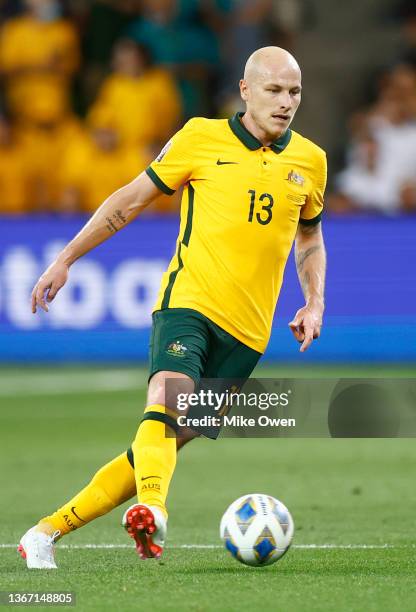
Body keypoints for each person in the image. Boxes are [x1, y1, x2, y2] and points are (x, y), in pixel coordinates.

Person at [19, 46, 327, 568]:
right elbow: (130, 199)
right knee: (167, 399)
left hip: (249, 334)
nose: (285, 102)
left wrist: (315, 301)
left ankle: (44, 533)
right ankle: (153, 511)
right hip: (188, 303)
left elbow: (310, 240)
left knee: (156, 446)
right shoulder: (199, 138)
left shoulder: (310, 161)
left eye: (294, 91)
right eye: (274, 90)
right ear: (246, 90)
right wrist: (66, 256)